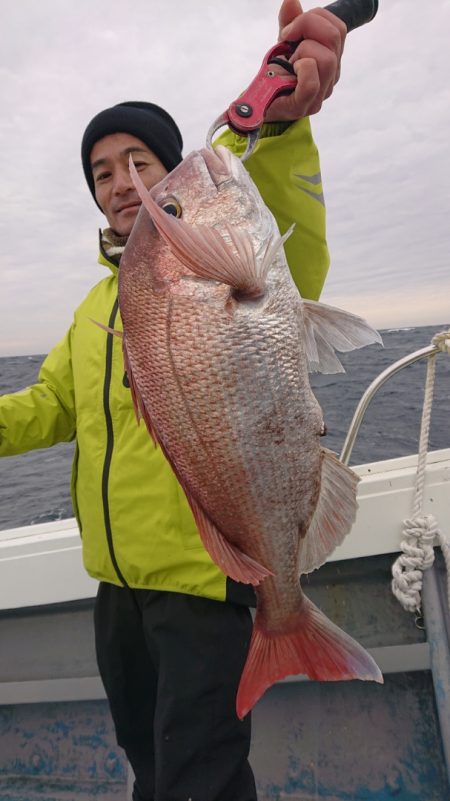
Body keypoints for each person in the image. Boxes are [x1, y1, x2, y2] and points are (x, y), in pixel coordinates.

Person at [0, 2, 347, 799]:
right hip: (117, 591)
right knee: (149, 766)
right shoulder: (93, 313)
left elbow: (285, 227)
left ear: (167, 169)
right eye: (102, 172)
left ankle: (282, 621)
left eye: (140, 162)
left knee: (202, 778)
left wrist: (284, 127)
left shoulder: (226, 259)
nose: (123, 183)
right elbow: (44, 407)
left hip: (205, 585)